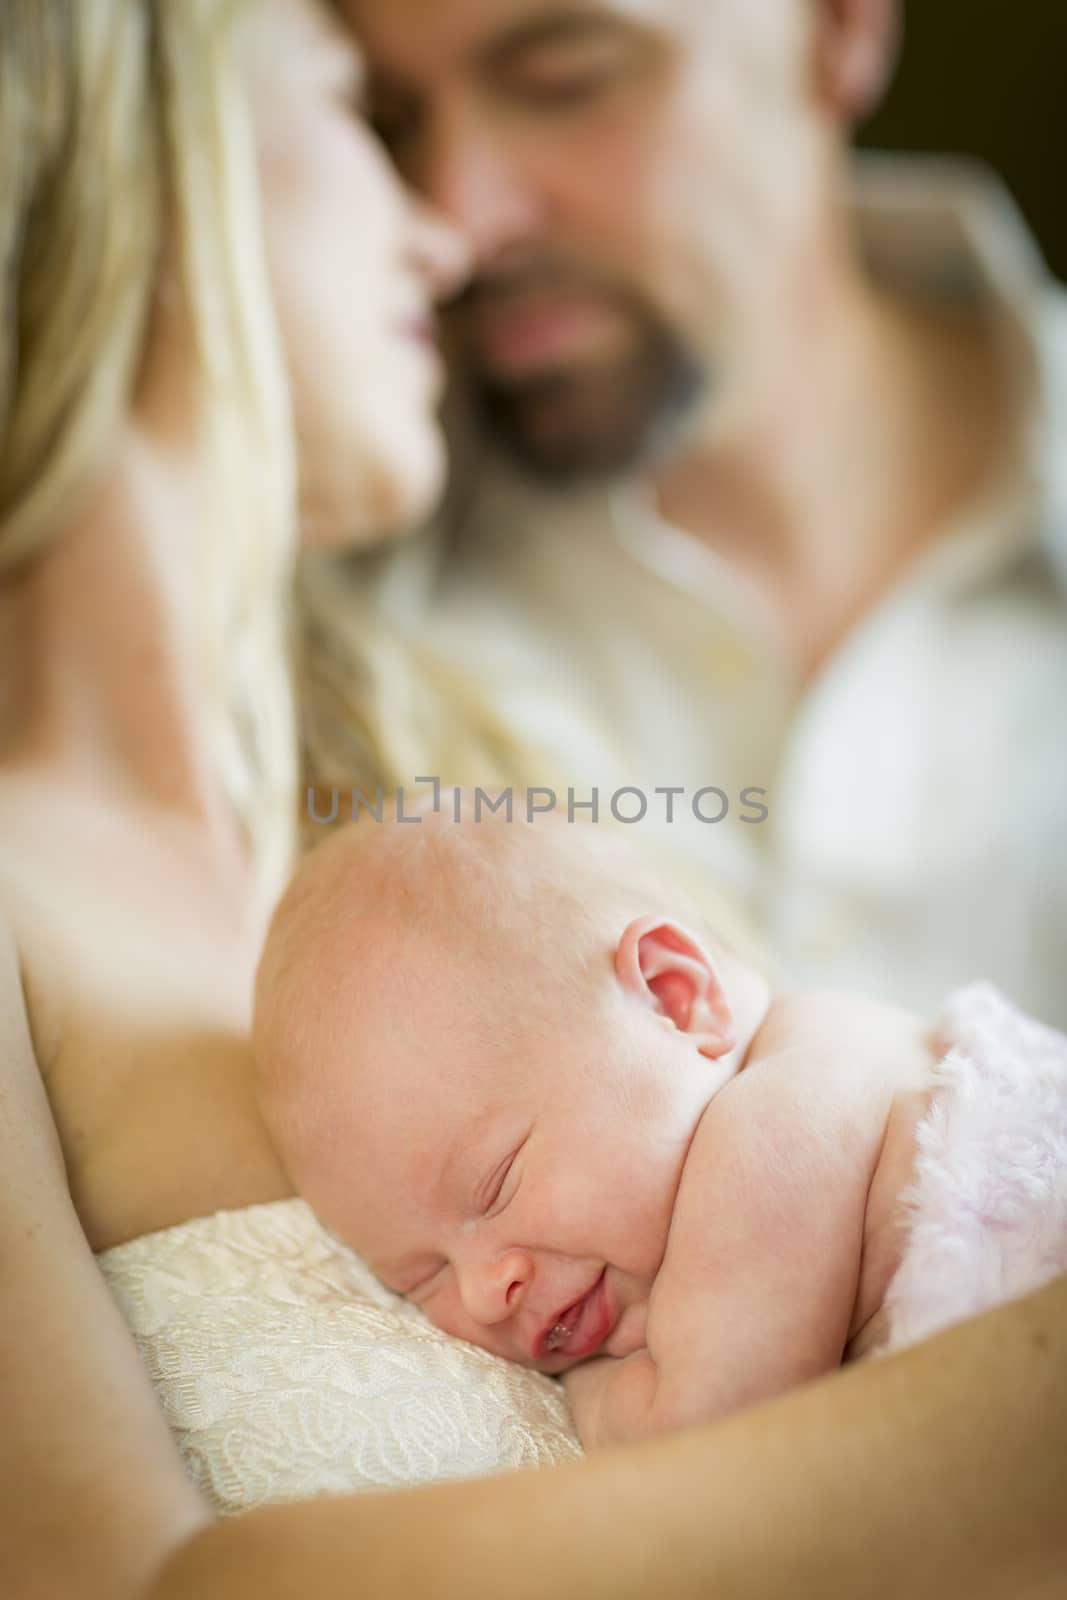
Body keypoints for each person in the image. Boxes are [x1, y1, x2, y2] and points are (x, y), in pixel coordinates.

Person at [1, 3, 1065, 1598]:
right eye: (369, 121)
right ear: (147, 164)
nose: (447, 228)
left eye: (558, 78)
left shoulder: (459, 771)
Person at [345, 0, 1067, 1029]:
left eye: (564, 80)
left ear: (837, 30)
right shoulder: (343, 605)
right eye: (390, 119)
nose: (453, 216)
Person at [252, 803, 1067, 1452]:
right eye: (418, 1279)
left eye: (495, 1183)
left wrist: (589, 1394)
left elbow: (704, 1446)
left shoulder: (783, 1114)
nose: (480, 1291)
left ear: (676, 1000)